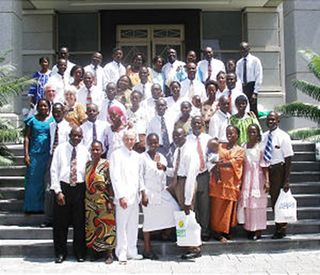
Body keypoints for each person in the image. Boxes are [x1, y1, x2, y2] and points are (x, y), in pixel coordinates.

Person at [50, 127, 90, 263]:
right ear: (69, 135)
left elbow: (88, 170)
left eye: (79, 136)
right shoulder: (60, 149)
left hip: (79, 188)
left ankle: (80, 252)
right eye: (74, 135)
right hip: (64, 188)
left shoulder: (85, 150)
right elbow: (54, 170)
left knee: (79, 223)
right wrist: (58, 191)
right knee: (61, 223)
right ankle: (60, 253)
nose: (76, 138)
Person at [140, 133, 179, 260]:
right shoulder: (142, 158)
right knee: (149, 221)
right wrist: (143, 193)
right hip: (148, 193)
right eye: (151, 143)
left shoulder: (161, 156)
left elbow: (170, 172)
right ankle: (147, 249)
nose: (153, 145)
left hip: (161, 191)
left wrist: (164, 167)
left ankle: (165, 234)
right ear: (147, 143)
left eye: (155, 142)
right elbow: (139, 177)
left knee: (175, 210)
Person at [109, 129, 145, 264]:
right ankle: (121, 252)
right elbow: (115, 177)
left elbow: (139, 176)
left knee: (133, 225)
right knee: (122, 225)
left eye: (132, 139)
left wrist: (141, 191)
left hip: (134, 197)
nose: (130, 142)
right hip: (123, 197)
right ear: (123, 140)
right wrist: (120, 196)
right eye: (127, 139)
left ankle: (132, 251)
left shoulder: (137, 156)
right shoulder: (116, 155)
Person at [166, 128, 201, 259]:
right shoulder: (177, 150)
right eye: (174, 135)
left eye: (179, 135)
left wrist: (187, 200)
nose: (176, 138)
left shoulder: (191, 151)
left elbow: (191, 175)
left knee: (189, 214)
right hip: (179, 182)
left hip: (187, 183)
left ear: (185, 135)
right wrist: (165, 170)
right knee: (184, 216)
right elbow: (176, 171)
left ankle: (195, 248)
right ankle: (188, 245)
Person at [209, 125, 245, 242]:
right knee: (217, 208)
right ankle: (216, 232)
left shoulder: (240, 150)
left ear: (237, 135)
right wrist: (219, 163)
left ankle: (226, 231)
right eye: (228, 133)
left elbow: (235, 163)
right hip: (218, 183)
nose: (230, 135)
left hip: (231, 183)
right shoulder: (220, 146)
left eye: (232, 133)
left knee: (228, 208)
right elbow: (212, 157)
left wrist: (220, 163)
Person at [261, 111, 294, 239]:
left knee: (277, 201)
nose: (270, 122)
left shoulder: (284, 136)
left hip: (278, 170)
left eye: (273, 120)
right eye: (268, 120)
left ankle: (281, 228)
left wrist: (286, 180)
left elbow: (288, 159)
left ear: (278, 121)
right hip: (266, 170)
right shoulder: (264, 136)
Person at [85, 141, 116, 264]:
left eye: (98, 149)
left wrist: (110, 200)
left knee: (108, 227)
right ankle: (96, 252)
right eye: (93, 149)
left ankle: (109, 254)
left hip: (104, 201)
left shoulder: (106, 164)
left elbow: (110, 183)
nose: (95, 152)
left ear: (102, 150)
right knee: (92, 228)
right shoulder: (87, 165)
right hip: (89, 202)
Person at [41, 103, 71, 228]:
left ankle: (66, 218)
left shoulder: (68, 127)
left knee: (65, 188)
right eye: (54, 112)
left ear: (64, 112)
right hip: (52, 158)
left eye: (59, 111)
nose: (57, 114)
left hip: (64, 159)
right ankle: (49, 218)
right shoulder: (51, 126)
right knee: (49, 189)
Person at [23, 99, 54, 214]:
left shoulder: (52, 120)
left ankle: (42, 207)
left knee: (43, 181)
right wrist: (26, 154)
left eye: (45, 106)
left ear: (49, 107)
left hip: (47, 154)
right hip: (34, 154)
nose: (43, 108)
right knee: (32, 180)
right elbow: (27, 137)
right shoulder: (32, 120)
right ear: (37, 107)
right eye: (41, 106)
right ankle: (31, 207)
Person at [239, 124, 269, 240]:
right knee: (248, 204)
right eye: (250, 132)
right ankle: (250, 228)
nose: (252, 134)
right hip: (247, 177)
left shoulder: (261, 147)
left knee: (258, 204)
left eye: (254, 132)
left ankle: (258, 230)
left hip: (258, 177)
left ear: (257, 134)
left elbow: (265, 165)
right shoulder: (243, 146)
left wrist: (267, 181)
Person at [186, 116, 212, 241]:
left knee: (205, 204)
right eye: (194, 123)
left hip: (204, 174)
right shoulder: (186, 140)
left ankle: (205, 231)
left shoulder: (208, 139)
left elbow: (213, 155)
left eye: (199, 123)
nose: (197, 125)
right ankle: (194, 232)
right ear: (191, 124)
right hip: (191, 176)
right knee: (192, 204)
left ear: (202, 124)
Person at [236, 41, 263, 117]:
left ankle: (255, 127)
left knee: (252, 109)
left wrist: (255, 92)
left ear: (249, 49)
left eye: (244, 49)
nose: (243, 51)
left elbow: (259, 76)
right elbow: (237, 77)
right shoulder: (239, 63)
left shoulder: (255, 60)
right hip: (242, 87)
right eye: (241, 49)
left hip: (251, 87)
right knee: (242, 108)